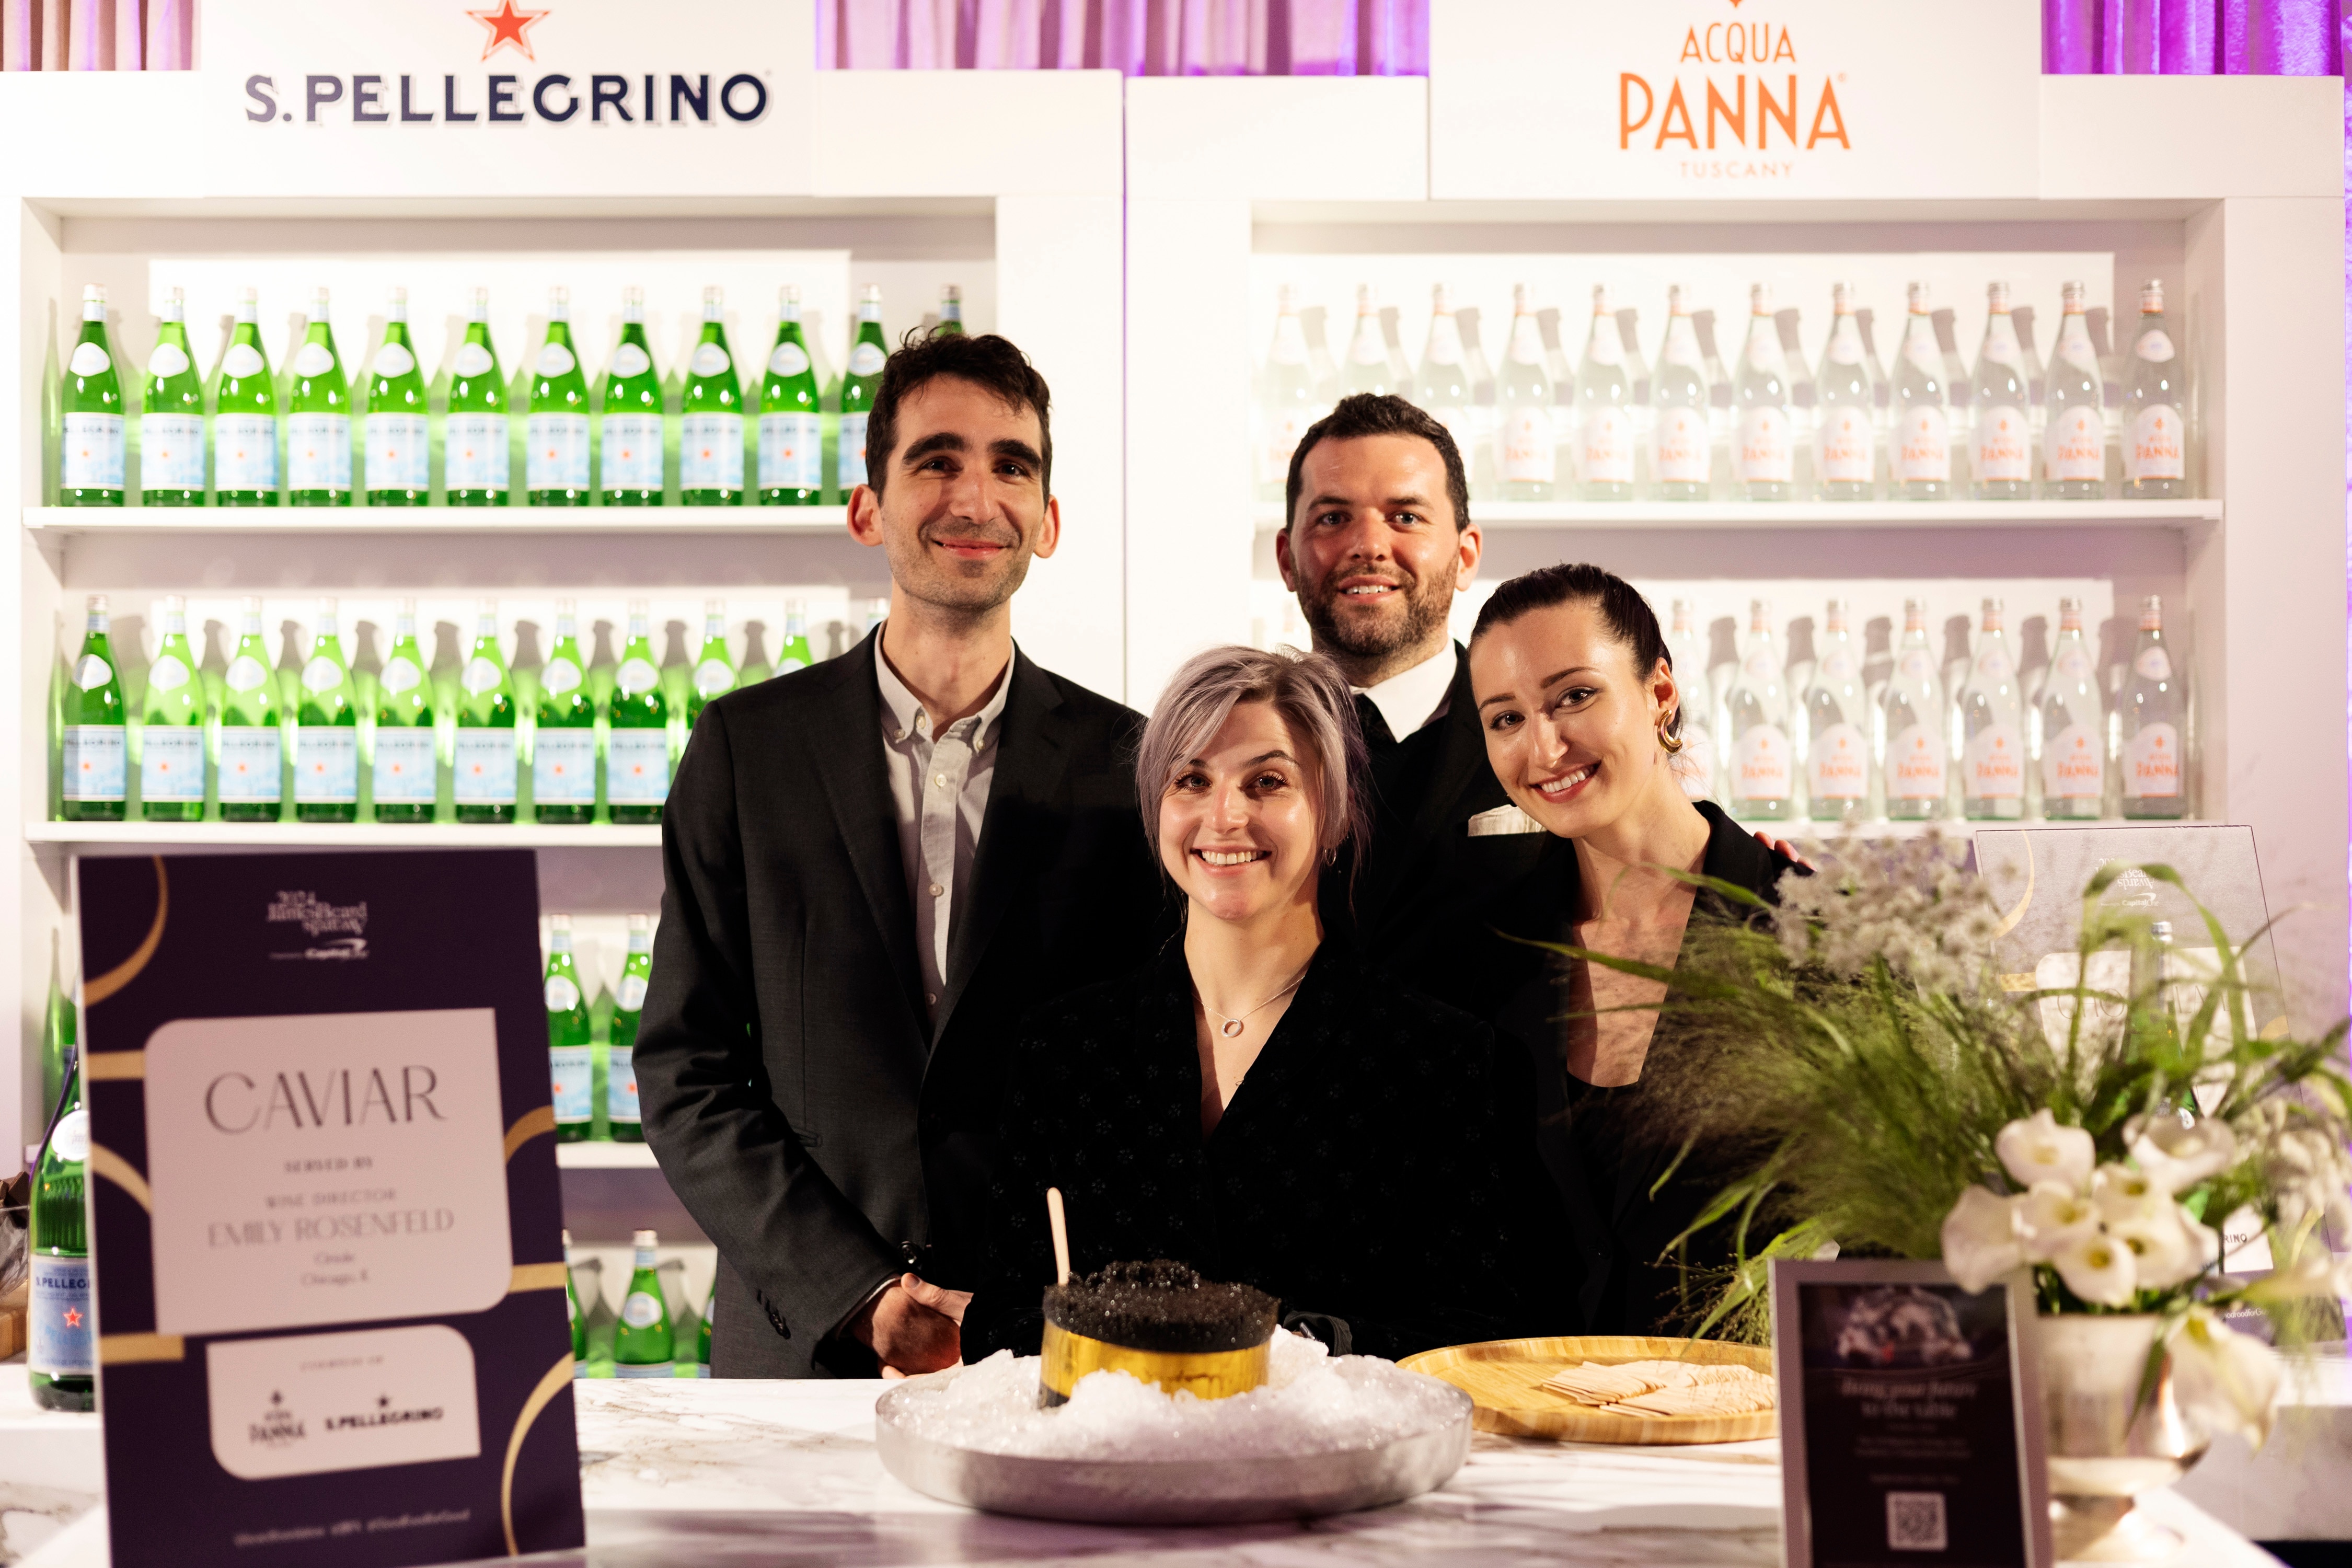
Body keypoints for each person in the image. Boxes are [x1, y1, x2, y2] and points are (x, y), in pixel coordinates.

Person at [635, 330, 1163, 1378]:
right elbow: (686, 1069)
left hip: (1041, 1346)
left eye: (1012, 466)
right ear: (866, 508)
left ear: (1048, 523)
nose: (976, 498)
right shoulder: (748, 750)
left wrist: (1013, 1303)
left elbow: (1146, 1078)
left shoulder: (1132, 764)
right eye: (937, 461)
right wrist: (861, 1294)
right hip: (803, 1346)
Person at [962, 646, 1519, 1363]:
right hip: (1110, 1468)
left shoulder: (1435, 1057)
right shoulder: (1065, 1049)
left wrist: (1291, 1349)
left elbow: (1477, 1335)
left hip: (1340, 1471)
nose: (1225, 816)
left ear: (1337, 812)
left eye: (1267, 782)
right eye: (1191, 779)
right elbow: (1000, 1326)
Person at [1465, 563, 1803, 1336]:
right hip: (1532, 1428)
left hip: (1743, 1431)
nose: (1544, 747)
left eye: (1575, 696)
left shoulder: (1810, 931)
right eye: (1506, 719)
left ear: (1658, 693)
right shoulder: (1485, 953)